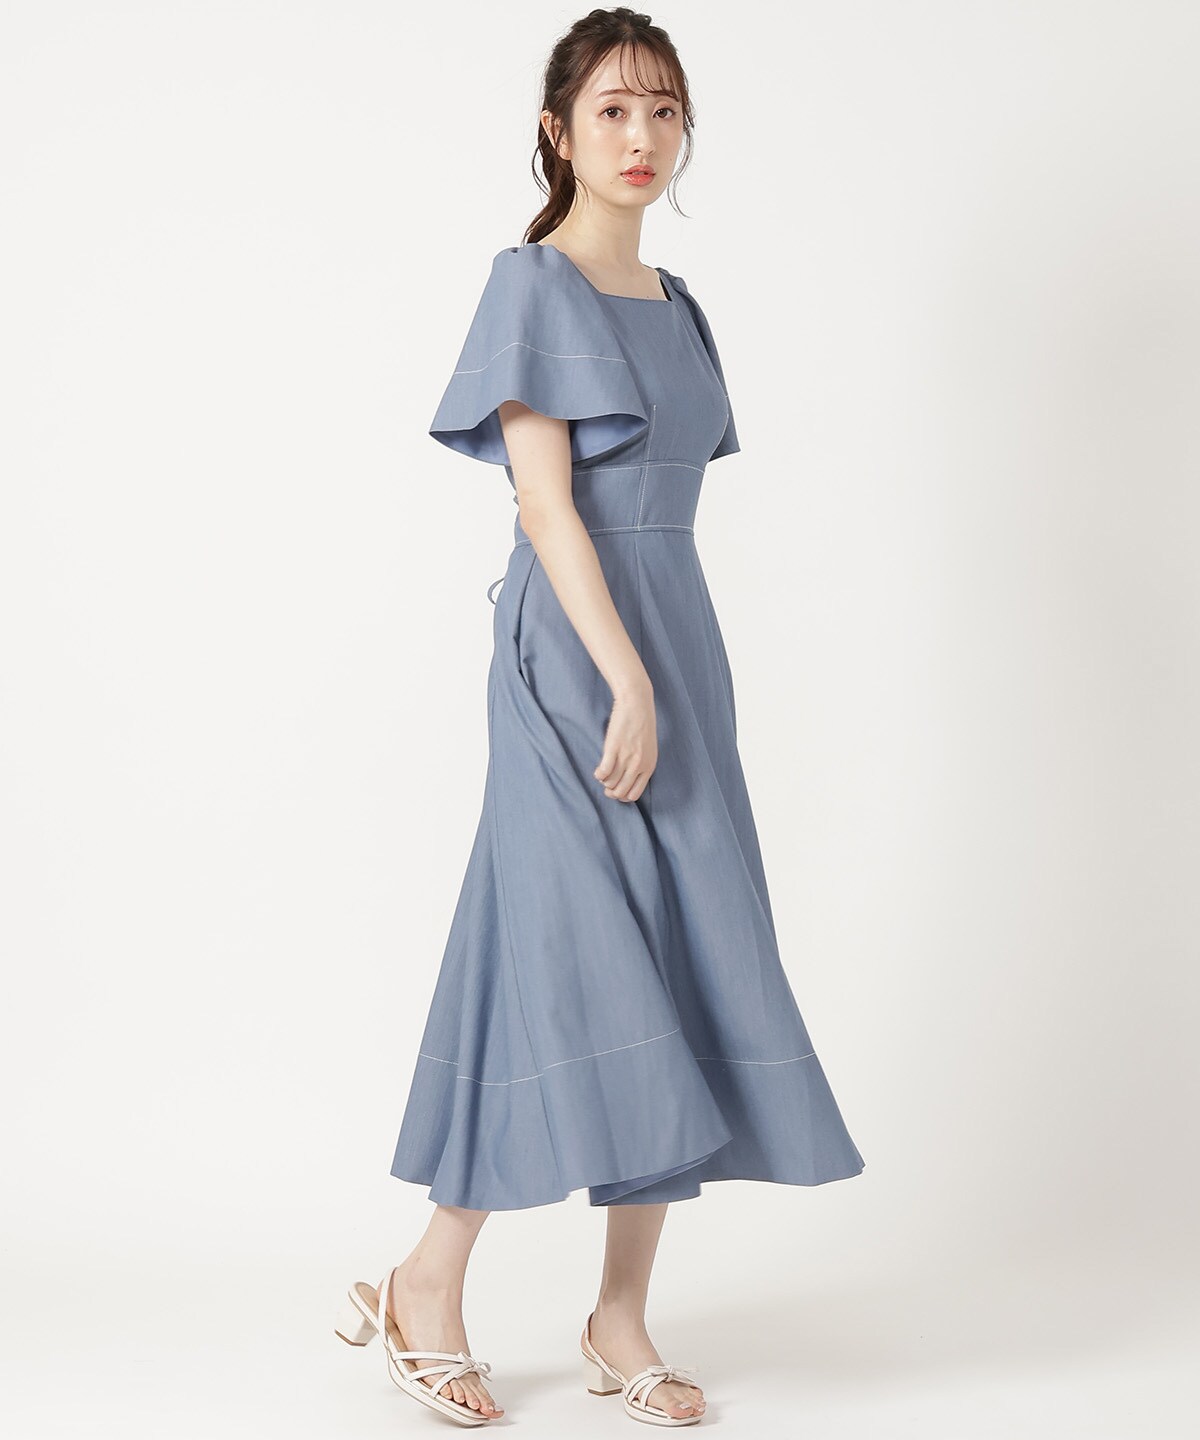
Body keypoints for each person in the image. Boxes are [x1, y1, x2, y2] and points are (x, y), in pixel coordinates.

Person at [335, 8, 865, 1428]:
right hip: (573, 651)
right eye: (614, 111)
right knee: (562, 951)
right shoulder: (529, 285)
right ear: (559, 132)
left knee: (680, 950)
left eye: (664, 112)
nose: (643, 138)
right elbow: (545, 506)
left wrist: (661, 669)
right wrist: (624, 676)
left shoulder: (678, 304)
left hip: (676, 632)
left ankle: (617, 1316)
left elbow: (670, 506)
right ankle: (430, 1279)